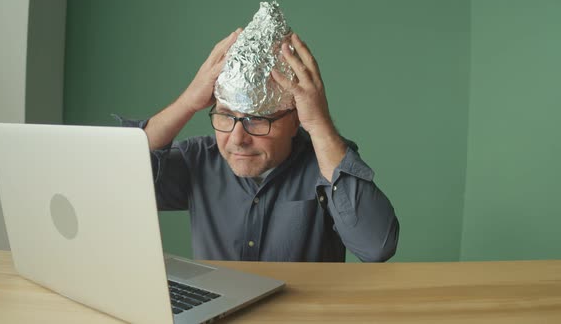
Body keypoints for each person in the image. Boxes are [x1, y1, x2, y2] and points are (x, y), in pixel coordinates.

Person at [121, 29, 399, 262]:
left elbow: (377, 246)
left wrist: (320, 124)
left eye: (257, 120)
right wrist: (187, 103)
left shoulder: (325, 162)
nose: (238, 138)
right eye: (227, 116)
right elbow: (113, 179)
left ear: (295, 121)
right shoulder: (199, 160)